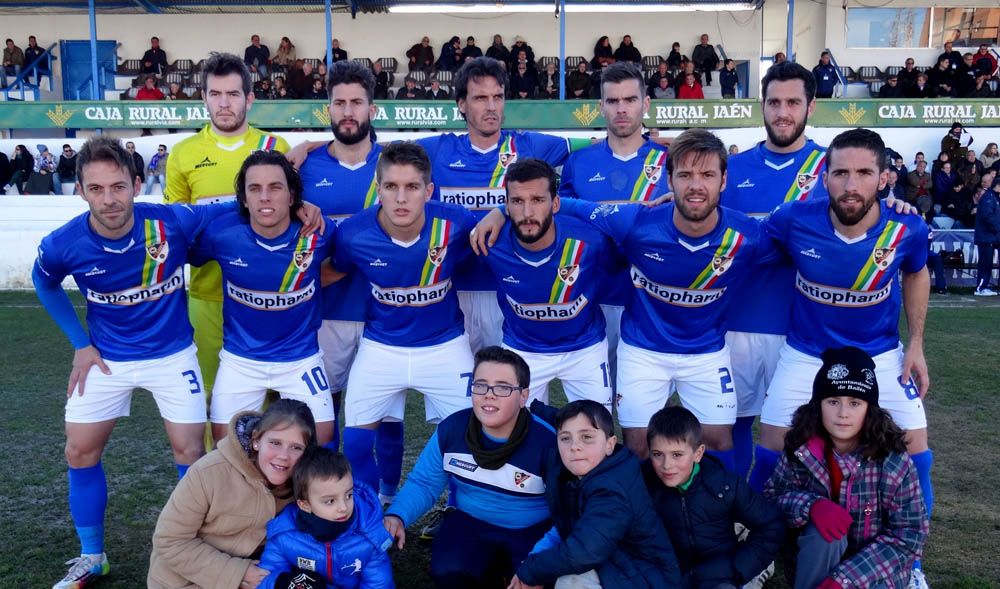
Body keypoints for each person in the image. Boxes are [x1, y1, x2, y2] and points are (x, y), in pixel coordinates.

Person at [485, 129, 779, 470]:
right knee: (637, 444)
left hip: (706, 352)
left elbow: (793, 243)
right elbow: (568, 205)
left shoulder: (749, 235)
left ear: (724, 180)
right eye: (685, 175)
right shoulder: (636, 223)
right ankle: (644, 515)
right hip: (643, 350)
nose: (696, 186)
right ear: (669, 180)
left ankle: (711, 516)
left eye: (708, 175)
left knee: (718, 440)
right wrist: (502, 211)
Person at [33, 136, 233, 589]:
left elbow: (229, 207)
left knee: (191, 452)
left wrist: (296, 205)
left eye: (118, 186)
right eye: (97, 188)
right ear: (80, 190)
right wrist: (80, 345)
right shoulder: (64, 243)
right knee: (79, 450)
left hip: (171, 356)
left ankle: (197, 548)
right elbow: (43, 283)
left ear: (138, 184)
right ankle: (92, 557)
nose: (109, 199)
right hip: (106, 360)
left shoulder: (171, 222)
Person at [750, 131, 935, 581]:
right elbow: (740, 240)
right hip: (806, 352)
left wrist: (915, 344)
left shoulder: (906, 227)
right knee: (772, 447)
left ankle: (909, 563)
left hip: (881, 353)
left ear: (884, 178)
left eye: (864, 173)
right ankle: (759, 552)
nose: (851, 184)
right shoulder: (794, 219)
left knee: (916, 449)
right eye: (841, 173)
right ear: (824, 177)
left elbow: (916, 273)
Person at [331, 142, 477, 495]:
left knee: (472, 442)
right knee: (355, 443)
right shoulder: (353, 234)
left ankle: (459, 513)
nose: (401, 198)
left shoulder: (457, 225)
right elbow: (329, 273)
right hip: (382, 346)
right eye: (391, 187)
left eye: (411, 187)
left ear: (428, 191)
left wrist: (501, 214)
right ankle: (370, 514)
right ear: (378, 189)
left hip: (445, 345)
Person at [166, 52, 291, 428]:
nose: (224, 103)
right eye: (215, 94)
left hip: (269, 300)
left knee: (276, 405)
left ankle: (273, 485)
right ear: (203, 98)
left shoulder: (276, 149)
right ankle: (216, 484)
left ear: (249, 99)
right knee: (209, 400)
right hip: (208, 299)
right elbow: (176, 231)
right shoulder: (183, 154)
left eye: (233, 94)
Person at [416, 56, 573, 354]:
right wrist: (309, 146)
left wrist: (501, 211)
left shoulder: (532, 147)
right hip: (453, 291)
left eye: (497, 97)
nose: (491, 107)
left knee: (507, 390)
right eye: (480, 98)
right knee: (456, 395)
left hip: (510, 292)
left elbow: (593, 145)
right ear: (461, 104)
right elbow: (376, 151)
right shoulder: (437, 150)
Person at [190, 150, 336, 446]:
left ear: (292, 194)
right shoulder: (221, 234)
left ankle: (302, 493)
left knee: (321, 438)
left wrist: (308, 282)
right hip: (241, 359)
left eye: (275, 187)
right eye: (254, 189)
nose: (265, 197)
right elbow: (189, 255)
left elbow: (345, 263)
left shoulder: (318, 232)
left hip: (300, 359)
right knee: (225, 444)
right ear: (243, 198)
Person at [384, 347, 557, 587]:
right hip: (471, 521)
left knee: (540, 579)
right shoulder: (452, 429)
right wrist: (397, 515)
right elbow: (424, 483)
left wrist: (540, 559)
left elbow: (567, 513)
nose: (489, 394)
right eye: (481, 385)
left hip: (532, 529)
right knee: (447, 572)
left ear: (523, 396)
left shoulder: (548, 442)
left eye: (503, 387)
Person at [764, 347, 929, 589]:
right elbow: (771, 500)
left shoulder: (894, 459)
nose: (843, 414)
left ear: (869, 408)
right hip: (815, 566)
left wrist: (844, 580)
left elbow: (910, 534)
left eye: (854, 403)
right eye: (833, 401)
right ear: (818, 405)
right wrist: (810, 506)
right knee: (825, 533)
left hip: (875, 572)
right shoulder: (801, 448)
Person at [556, 61, 670, 398]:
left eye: (630, 100)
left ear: (645, 104)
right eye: (613, 101)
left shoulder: (668, 163)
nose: (622, 109)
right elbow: (563, 224)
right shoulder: (579, 163)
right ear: (600, 107)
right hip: (592, 301)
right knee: (595, 411)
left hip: (651, 304)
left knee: (643, 415)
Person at [477, 158, 617, 409]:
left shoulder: (592, 239)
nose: (528, 213)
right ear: (506, 205)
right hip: (523, 349)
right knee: (518, 435)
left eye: (538, 200)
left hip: (584, 349)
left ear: (555, 204)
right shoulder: (489, 242)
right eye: (517, 202)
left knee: (595, 430)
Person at [509, 400, 682, 589]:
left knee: (570, 583)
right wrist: (535, 407)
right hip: (616, 564)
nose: (575, 446)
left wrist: (530, 571)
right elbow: (563, 419)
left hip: (645, 578)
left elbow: (583, 552)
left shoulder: (612, 489)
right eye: (565, 438)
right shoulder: (587, 472)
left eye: (587, 437)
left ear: (610, 444)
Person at [148, 400, 318, 589]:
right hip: (184, 581)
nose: (284, 455)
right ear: (256, 440)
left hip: (260, 577)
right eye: (275, 443)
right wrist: (239, 573)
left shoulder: (305, 482)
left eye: (296, 447)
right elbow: (170, 540)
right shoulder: (208, 472)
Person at [643, 406, 784, 589]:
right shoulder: (642, 484)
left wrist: (736, 569)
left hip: (719, 576)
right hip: (668, 576)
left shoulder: (724, 484)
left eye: (677, 455)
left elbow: (771, 525)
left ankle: (753, 577)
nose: (667, 465)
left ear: (698, 453)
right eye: (657, 454)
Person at [257, 448, 393, 589]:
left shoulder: (369, 534)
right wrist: (283, 583)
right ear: (305, 504)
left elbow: (379, 584)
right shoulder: (284, 534)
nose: (343, 507)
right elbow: (266, 575)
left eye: (348, 495)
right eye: (330, 501)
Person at [973, 175, 1000, 296]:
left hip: (994, 237)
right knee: (985, 264)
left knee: (987, 263)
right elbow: (987, 217)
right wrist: (998, 229)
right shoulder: (988, 198)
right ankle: (981, 287)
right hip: (986, 237)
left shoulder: (995, 198)